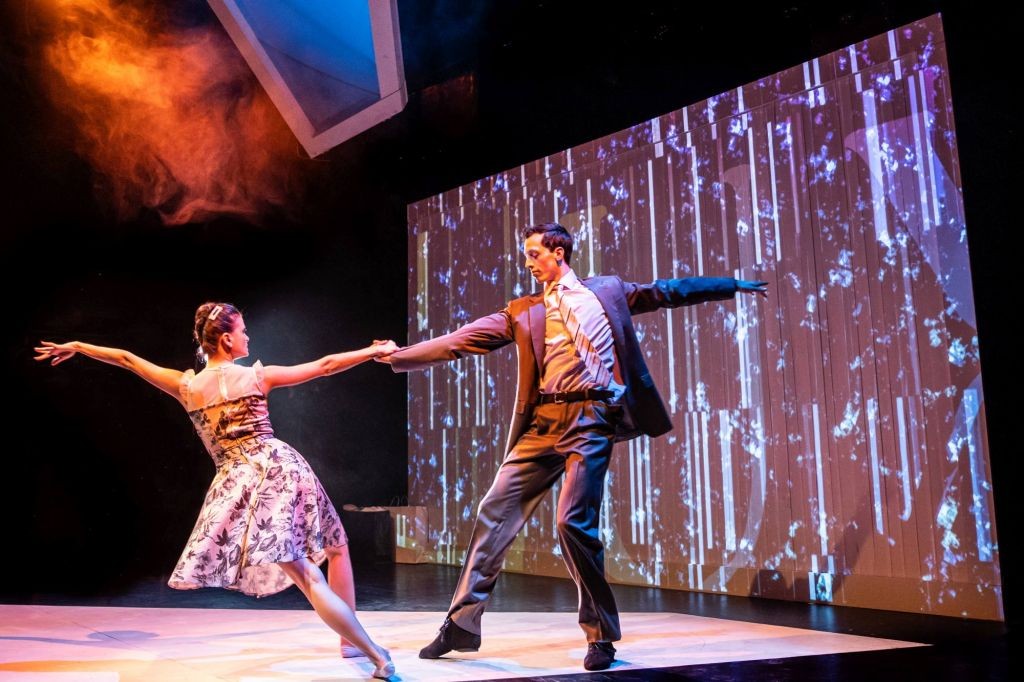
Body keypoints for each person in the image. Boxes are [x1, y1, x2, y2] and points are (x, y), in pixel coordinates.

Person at [378, 223, 768, 671]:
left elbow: (667, 291)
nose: (527, 263)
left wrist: (729, 285)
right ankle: (461, 623)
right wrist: (397, 356)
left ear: (558, 252)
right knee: (494, 511)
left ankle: (600, 636)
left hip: (591, 420)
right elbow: (462, 340)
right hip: (542, 424)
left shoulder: (607, 291)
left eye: (533, 254)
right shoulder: (524, 310)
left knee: (572, 523)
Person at [35, 302, 397, 680]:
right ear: (226, 339)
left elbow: (126, 359)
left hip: (238, 481)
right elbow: (326, 366)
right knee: (316, 566)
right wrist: (372, 351)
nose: (247, 337)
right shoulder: (257, 377)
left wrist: (78, 345)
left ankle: (349, 641)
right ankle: (377, 655)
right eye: (242, 331)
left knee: (332, 549)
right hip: (279, 470)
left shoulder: (187, 386)